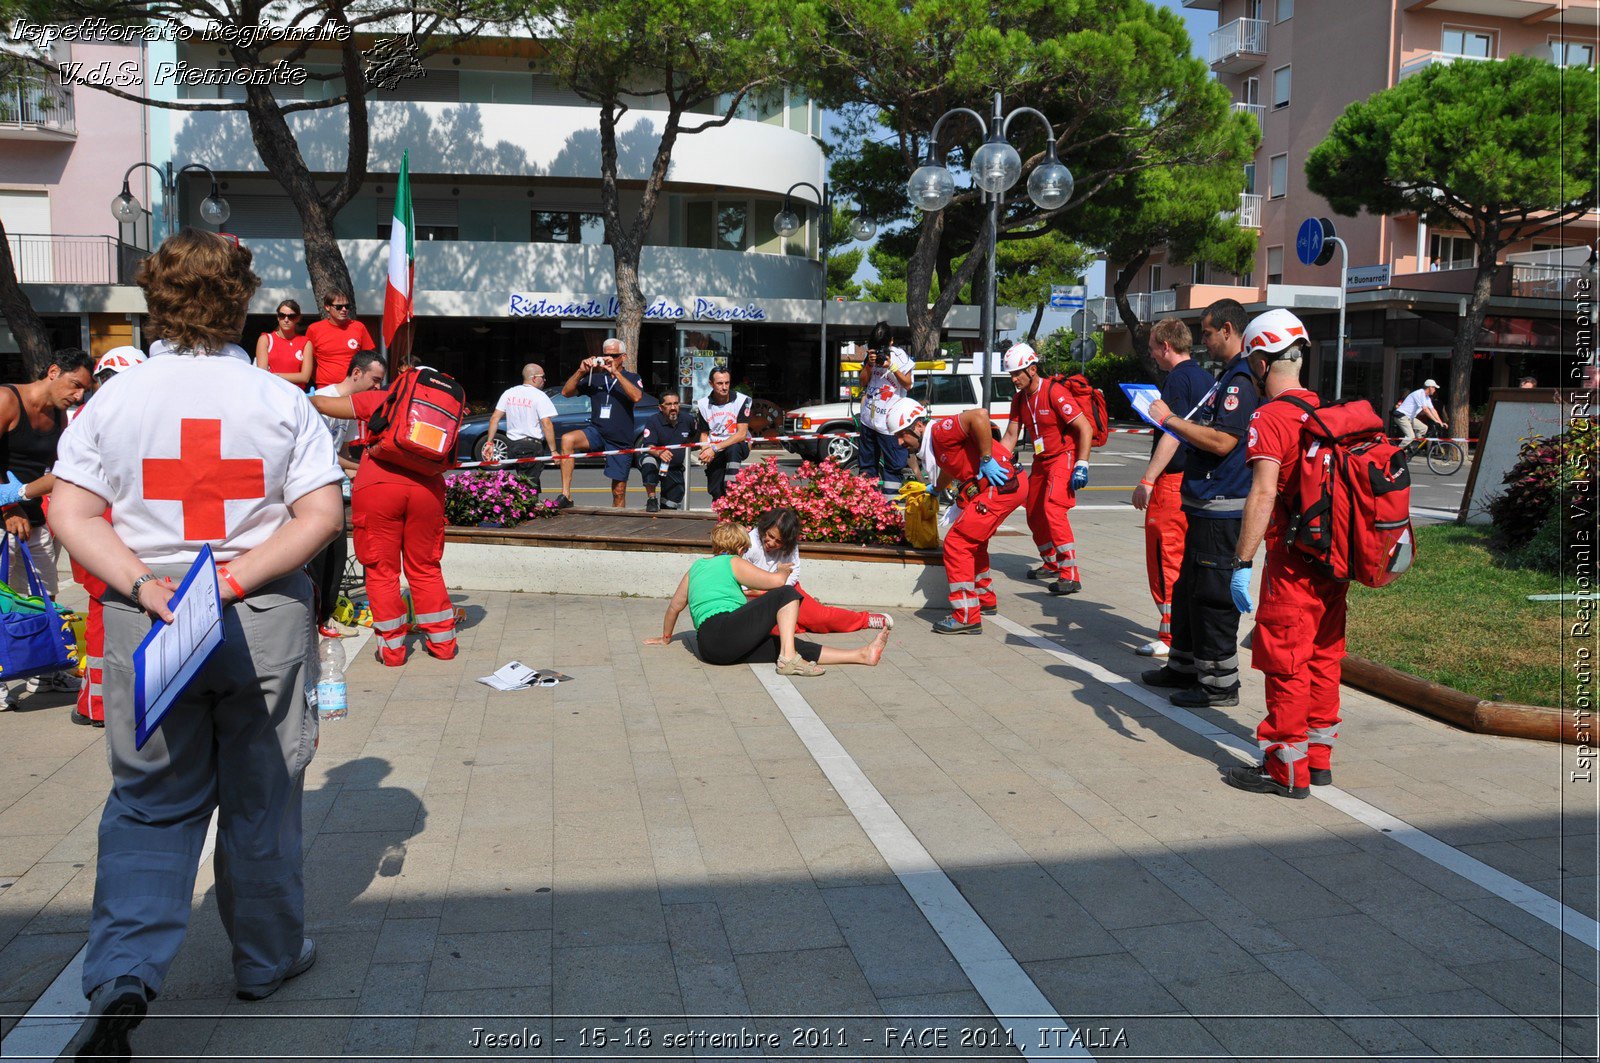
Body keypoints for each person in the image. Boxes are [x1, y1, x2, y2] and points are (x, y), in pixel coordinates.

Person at [48, 230, 345, 1060]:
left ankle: (124, 976)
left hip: (149, 612)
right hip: (258, 613)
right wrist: (236, 579)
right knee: (262, 792)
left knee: (150, 802)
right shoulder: (279, 397)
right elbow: (321, 515)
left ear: (156, 299)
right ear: (242, 299)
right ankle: (264, 959)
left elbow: (69, 512)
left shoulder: (114, 399)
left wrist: (147, 587)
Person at [1222, 308, 1344, 799]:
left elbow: (1263, 493)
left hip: (1293, 562)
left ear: (1262, 362)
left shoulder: (1271, 417)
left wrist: (1242, 561)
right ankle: (1318, 760)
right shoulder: (1326, 412)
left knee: (1286, 661)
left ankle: (1285, 769)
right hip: (1334, 561)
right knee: (1323, 657)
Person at [1141, 298, 1263, 708]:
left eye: (1208, 333)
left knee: (1212, 597)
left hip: (1222, 508)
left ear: (1228, 330)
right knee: (1188, 588)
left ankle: (1218, 684)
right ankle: (1185, 665)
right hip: (1202, 506)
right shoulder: (1223, 377)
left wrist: (1170, 419)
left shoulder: (1239, 382)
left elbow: (1224, 440)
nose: (1203, 341)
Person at [312, 358, 460, 667]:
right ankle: (443, 644)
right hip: (427, 490)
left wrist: (299, 398)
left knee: (382, 571)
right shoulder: (440, 413)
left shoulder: (384, 399)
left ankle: (392, 652)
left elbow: (324, 404)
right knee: (426, 567)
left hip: (379, 486)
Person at [644, 520, 891, 676]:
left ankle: (861, 655)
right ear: (740, 548)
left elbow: (674, 607)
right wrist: (783, 571)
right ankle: (788, 659)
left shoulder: (695, 568)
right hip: (726, 628)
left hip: (711, 649)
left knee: (783, 643)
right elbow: (776, 584)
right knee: (786, 594)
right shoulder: (733, 561)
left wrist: (666, 638)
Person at [0, 347, 94, 702]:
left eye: (84, 390)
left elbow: (61, 470)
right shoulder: (8, 399)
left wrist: (27, 499)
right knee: (2, 600)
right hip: (5, 517)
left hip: (34, 518)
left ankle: (47, 671)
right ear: (53, 371)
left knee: (45, 597)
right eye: (74, 385)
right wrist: (9, 505)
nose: (78, 395)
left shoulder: (60, 416)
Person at [62, 346, 148, 728]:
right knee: (103, 618)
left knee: (107, 615)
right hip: (103, 530)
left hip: (100, 530)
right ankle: (97, 706)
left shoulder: (95, 414)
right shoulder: (111, 416)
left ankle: (98, 703)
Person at [887, 397, 1025, 634]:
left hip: (999, 485)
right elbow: (951, 467)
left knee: (957, 544)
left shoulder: (940, 432)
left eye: (902, 434)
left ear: (918, 426)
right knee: (975, 543)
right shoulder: (937, 444)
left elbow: (979, 415)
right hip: (1005, 484)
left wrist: (986, 459)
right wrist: (937, 489)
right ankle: (984, 599)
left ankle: (966, 616)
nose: (900, 442)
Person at [1130, 318, 1216, 658]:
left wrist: (1148, 479)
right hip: (1197, 479)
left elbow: (1173, 431)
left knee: (1164, 556)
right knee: (1185, 556)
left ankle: (1169, 636)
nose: (1151, 354)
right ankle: (1184, 630)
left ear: (1167, 346)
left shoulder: (1177, 380)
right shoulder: (1206, 377)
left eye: (1153, 347)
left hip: (1172, 483)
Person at [998, 341, 1092, 596]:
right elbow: (1010, 436)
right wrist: (993, 461)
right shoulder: (1019, 399)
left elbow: (1085, 427)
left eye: (1017, 373)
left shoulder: (1055, 392)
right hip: (1042, 460)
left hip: (1064, 456)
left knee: (1053, 510)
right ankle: (1051, 562)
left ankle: (1070, 575)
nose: (1014, 379)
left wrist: (1082, 463)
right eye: (1011, 374)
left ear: (1032, 369)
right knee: (1033, 511)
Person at [309, 350, 386, 638]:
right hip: (311, 490)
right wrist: (365, 468)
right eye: (374, 380)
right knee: (319, 560)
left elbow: (341, 452)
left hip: (331, 488)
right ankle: (315, 620)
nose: (378, 387)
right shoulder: (324, 400)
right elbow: (326, 454)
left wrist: (365, 475)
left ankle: (325, 618)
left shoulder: (350, 407)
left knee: (337, 557)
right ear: (356, 373)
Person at [743, 507, 892, 633]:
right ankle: (803, 619)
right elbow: (741, 582)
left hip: (785, 589)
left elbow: (793, 575)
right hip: (756, 594)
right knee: (772, 629)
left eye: (779, 541)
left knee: (821, 618)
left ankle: (866, 619)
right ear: (765, 527)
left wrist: (771, 589)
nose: (771, 542)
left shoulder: (790, 545)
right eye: (770, 536)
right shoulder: (750, 544)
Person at [554, 338, 644, 509]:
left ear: (623, 357)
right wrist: (581, 371)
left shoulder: (632, 377)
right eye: (605, 355)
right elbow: (566, 392)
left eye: (614, 355)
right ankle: (566, 495)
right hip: (597, 431)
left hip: (620, 438)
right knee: (567, 439)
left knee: (618, 491)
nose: (609, 358)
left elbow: (637, 397)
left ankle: (617, 526)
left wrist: (616, 373)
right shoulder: (594, 378)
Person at [856, 320, 915, 496]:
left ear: (890, 342)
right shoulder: (870, 356)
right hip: (869, 419)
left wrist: (893, 367)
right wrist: (869, 364)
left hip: (890, 423)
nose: (879, 352)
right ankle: (867, 502)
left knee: (893, 465)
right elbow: (862, 382)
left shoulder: (900, 355)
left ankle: (890, 507)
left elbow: (908, 384)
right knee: (866, 465)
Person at [484, 363, 557, 490]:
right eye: (543, 377)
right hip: (531, 446)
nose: (545, 380)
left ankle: (530, 506)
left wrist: (490, 443)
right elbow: (547, 424)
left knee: (527, 481)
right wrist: (554, 451)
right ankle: (529, 508)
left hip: (513, 446)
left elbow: (494, 418)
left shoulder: (509, 393)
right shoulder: (539, 395)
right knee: (529, 486)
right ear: (534, 378)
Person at [694, 366, 752, 502]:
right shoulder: (703, 404)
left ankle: (732, 487)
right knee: (716, 490)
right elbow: (703, 434)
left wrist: (714, 448)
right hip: (715, 448)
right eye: (720, 383)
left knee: (733, 447)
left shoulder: (743, 400)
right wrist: (705, 450)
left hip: (737, 445)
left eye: (727, 383)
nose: (724, 387)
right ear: (711, 384)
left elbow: (742, 434)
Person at [306, 290, 375, 390]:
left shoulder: (359, 327)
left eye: (347, 306)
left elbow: (369, 360)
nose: (344, 309)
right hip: (326, 388)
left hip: (354, 387)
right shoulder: (314, 329)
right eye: (339, 307)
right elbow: (310, 363)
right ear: (327, 307)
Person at [638, 391, 693, 512]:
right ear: (661, 407)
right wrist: (660, 452)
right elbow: (649, 446)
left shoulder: (688, 420)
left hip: (674, 466)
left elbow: (695, 438)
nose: (673, 408)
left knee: (671, 505)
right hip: (656, 459)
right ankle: (651, 499)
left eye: (676, 403)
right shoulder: (653, 420)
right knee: (648, 462)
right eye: (668, 404)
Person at [255, 298, 312, 388]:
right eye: (282, 315)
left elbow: (305, 377)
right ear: (278, 317)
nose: (286, 319)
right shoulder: (266, 339)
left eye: (291, 316)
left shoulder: (305, 342)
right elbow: (263, 374)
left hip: (296, 394)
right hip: (272, 392)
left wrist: (276, 376)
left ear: (297, 318)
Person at [1394, 378, 1446, 447]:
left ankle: (1414, 445)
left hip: (1410, 417)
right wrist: (1435, 421)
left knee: (1424, 428)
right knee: (1410, 436)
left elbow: (1433, 410)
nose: (1435, 390)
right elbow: (1425, 410)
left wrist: (1440, 422)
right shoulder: (1419, 393)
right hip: (1401, 416)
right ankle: (1397, 453)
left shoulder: (1427, 398)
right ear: (1430, 387)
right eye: (1434, 388)